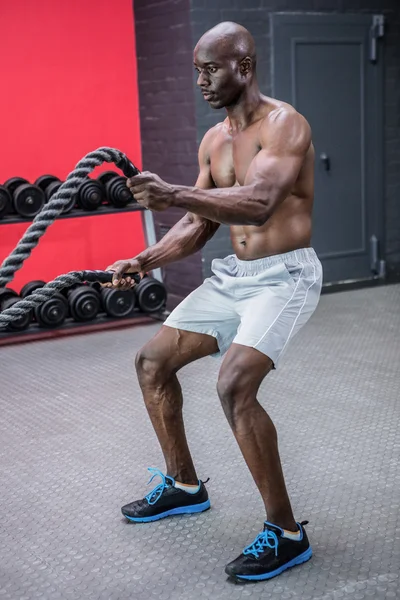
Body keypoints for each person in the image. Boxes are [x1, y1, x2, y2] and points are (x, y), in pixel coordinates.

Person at [106, 21, 323, 582]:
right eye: (196, 70)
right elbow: (199, 222)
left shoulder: (285, 124)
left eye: (210, 69)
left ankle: (287, 532)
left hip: (285, 277)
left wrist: (172, 189)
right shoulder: (214, 139)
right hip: (234, 277)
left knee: (234, 384)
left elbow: (259, 202)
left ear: (243, 68)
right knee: (152, 362)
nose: (200, 81)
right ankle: (182, 485)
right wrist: (143, 260)